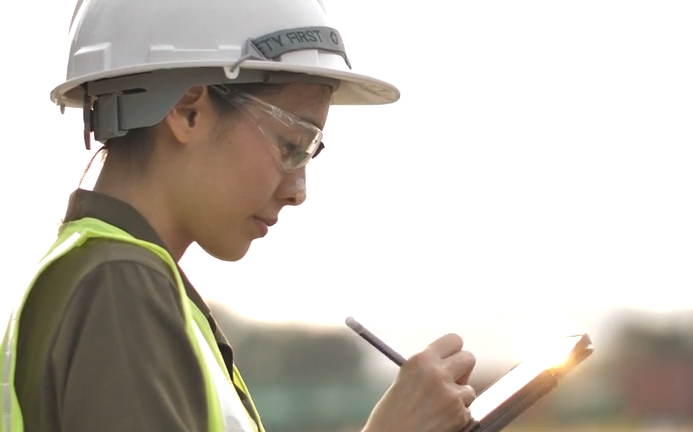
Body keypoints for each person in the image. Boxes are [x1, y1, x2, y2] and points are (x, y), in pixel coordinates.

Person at [0, 0, 479, 432]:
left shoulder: (116, 277)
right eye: (292, 145)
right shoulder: (117, 284)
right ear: (188, 112)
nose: (298, 191)